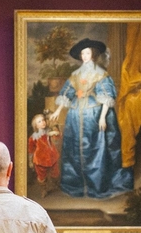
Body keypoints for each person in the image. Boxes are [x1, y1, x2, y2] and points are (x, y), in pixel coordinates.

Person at [49, 38, 133, 198]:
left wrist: (102, 117)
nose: (85, 56)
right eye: (82, 53)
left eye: (87, 52)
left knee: (97, 148)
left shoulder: (100, 74)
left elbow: (107, 96)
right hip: (75, 114)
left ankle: (97, 186)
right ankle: (76, 185)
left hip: (94, 114)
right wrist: (58, 110)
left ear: (93, 54)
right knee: (74, 149)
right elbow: (67, 92)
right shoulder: (75, 75)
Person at [28, 112, 60, 197]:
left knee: (55, 173)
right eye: (39, 121)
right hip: (40, 160)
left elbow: (57, 138)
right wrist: (30, 161)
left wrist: (55, 130)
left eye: (43, 120)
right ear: (35, 126)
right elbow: (31, 150)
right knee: (41, 176)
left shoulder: (49, 131)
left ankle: (55, 184)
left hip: (52, 157)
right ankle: (44, 189)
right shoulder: (33, 137)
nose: (43, 122)